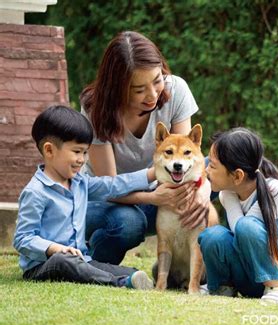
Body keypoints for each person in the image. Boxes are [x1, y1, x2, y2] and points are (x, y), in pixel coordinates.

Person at [80, 31, 210, 265]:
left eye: (157, 80)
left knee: (221, 165)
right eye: (138, 89)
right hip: (108, 200)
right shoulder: (95, 108)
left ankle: (211, 260)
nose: (152, 95)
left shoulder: (176, 90)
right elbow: (109, 187)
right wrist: (153, 198)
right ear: (116, 88)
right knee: (129, 224)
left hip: (159, 191)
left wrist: (201, 190)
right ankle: (93, 255)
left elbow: (186, 154)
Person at [13, 105, 155, 289]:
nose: (82, 159)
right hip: (45, 265)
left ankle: (130, 277)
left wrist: (152, 174)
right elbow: (22, 238)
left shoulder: (80, 182)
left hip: (82, 259)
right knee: (63, 261)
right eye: (76, 151)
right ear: (49, 151)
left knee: (128, 271)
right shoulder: (36, 192)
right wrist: (55, 249)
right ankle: (119, 283)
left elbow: (112, 185)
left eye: (85, 152)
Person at [199, 128, 278, 304]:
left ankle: (276, 289)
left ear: (237, 176)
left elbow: (243, 229)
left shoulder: (274, 190)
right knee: (211, 236)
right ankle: (223, 287)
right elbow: (237, 237)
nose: (206, 170)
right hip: (248, 274)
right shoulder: (227, 194)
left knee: (246, 226)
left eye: (212, 166)